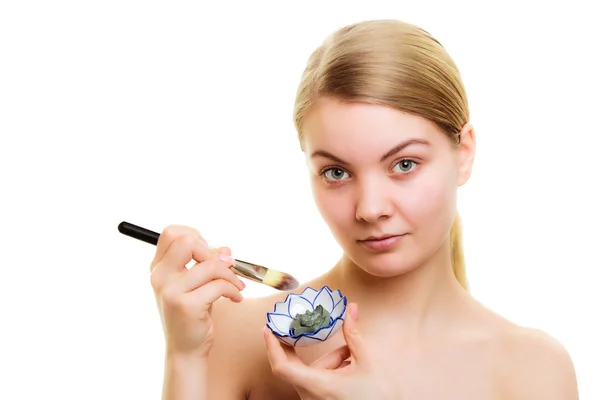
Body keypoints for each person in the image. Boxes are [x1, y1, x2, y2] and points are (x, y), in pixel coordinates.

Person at [148, 19, 579, 399]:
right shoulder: (237, 337)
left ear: (463, 153)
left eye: (404, 165)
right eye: (336, 172)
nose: (370, 209)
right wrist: (184, 359)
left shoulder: (533, 370)